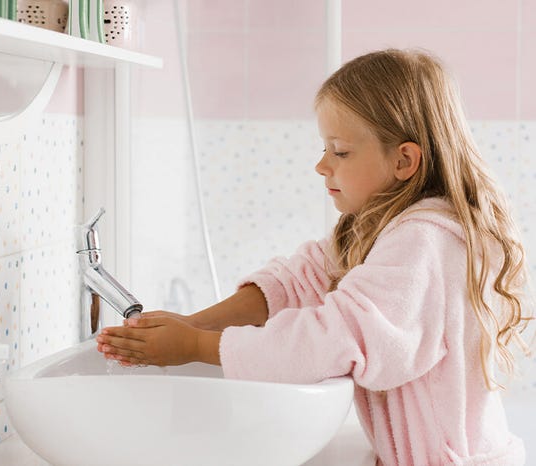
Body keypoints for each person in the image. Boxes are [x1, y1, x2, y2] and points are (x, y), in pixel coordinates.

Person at [96, 48, 534, 465]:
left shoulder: (423, 243)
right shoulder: (381, 228)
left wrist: (194, 345)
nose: (322, 165)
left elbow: (335, 337)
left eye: (340, 151)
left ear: (404, 160)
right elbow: (296, 282)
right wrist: (191, 324)